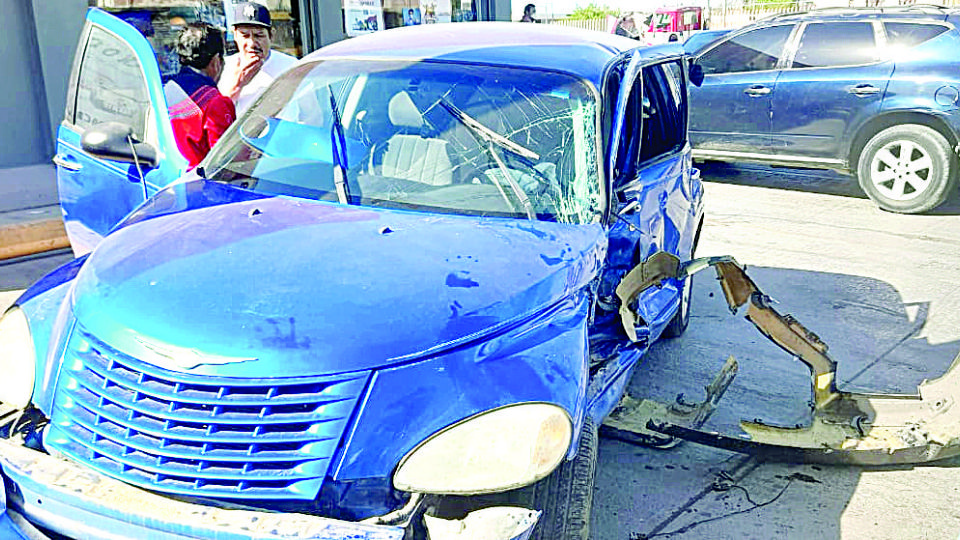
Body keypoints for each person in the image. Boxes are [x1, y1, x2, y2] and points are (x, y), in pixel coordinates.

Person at [164, 23, 235, 168]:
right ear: (216, 61)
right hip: (199, 185)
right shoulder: (216, 102)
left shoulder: (163, 90)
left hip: (165, 181)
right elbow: (224, 163)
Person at [218, 1, 297, 115]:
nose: (252, 43)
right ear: (235, 35)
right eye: (245, 35)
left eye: (258, 36)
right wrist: (237, 85)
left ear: (271, 35)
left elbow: (311, 115)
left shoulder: (291, 66)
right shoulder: (223, 68)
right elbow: (216, 113)